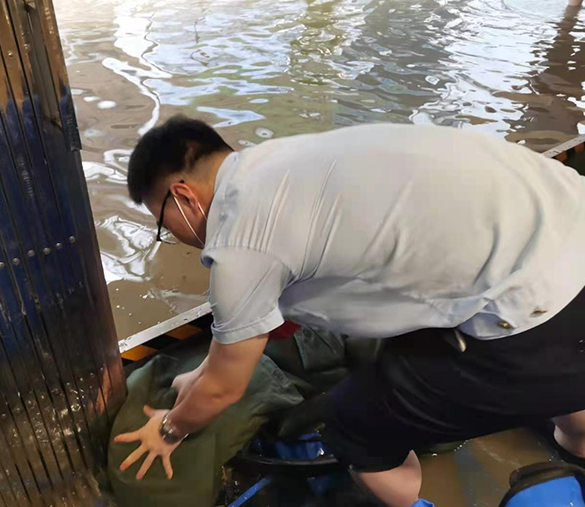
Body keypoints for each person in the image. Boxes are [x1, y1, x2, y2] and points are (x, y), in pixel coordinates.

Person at [114, 116, 585, 507]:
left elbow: (223, 389)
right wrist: (202, 376)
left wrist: (170, 430)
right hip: (570, 221)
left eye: (162, 223)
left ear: (184, 196)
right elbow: (266, 323)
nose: (173, 236)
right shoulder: (281, 162)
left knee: (355, 429)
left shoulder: (239, 242)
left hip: (534, 305)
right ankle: (575, 444)